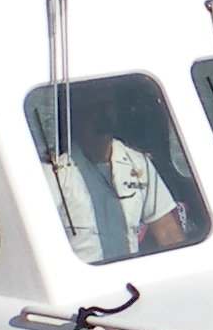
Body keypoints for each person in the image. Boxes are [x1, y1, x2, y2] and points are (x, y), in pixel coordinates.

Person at [43, 82, 192, 264]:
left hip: (130, 277)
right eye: (94, 108)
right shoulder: (55, 172)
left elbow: (167, 231)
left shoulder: (138, 163)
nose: (104, 114)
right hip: (81, 279)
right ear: (77, 114)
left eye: (107, 106)